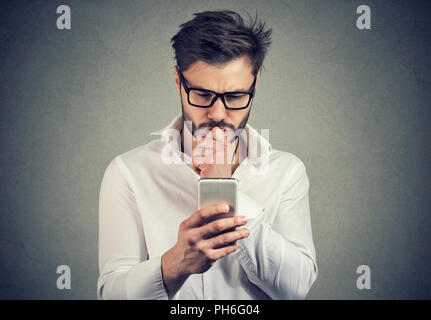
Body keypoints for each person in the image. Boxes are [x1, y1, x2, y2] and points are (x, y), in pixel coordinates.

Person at [97, 9, 317, 300]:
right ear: (178, 81)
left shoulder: (286, 171)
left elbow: (295, 288)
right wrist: (175, 264)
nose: (218, 114)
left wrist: (226, 192)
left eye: (235, 96)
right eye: (201, 95)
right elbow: (111, 295)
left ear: (255, 82)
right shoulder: (128, 172)